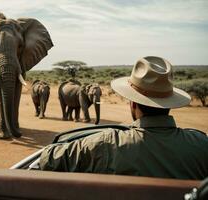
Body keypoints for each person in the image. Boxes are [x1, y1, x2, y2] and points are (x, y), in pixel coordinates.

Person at [39, 56, 208, 180]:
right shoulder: (201, 144)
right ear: (169, 104)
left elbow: (49, 158)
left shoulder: (105, 143)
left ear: (133, 104)